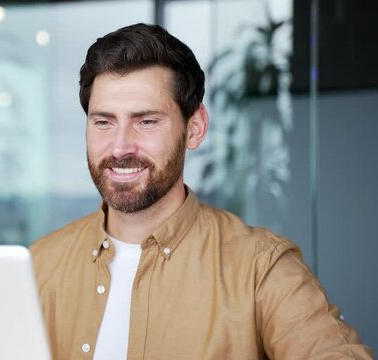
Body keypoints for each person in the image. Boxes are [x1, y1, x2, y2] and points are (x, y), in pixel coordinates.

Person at [30, 23, 372, 360]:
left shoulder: (261, 269)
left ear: (195, 129)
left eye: (146, 121)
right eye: (103, 121)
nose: (120, 147)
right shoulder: (36, 268)